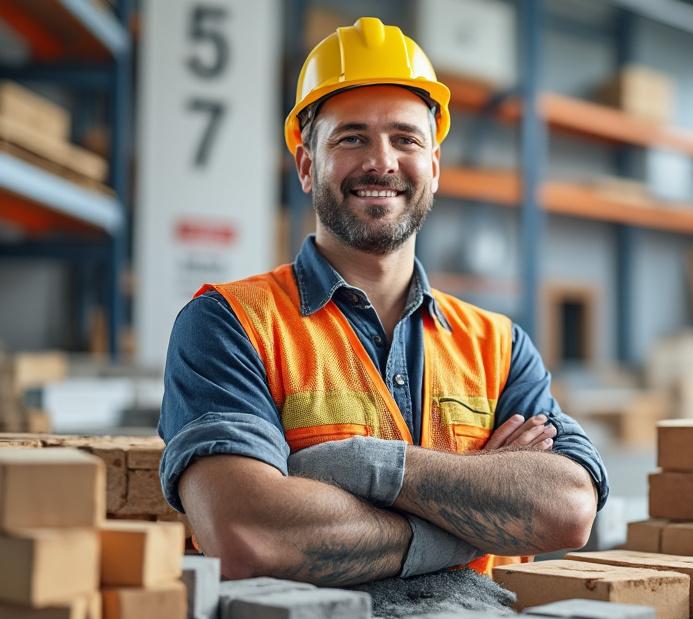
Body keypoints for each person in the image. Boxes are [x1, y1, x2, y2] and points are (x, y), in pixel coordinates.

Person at [158, 17, 608, 587]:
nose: (382, 162)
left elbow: (567, 510)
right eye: (351, 138)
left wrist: (360, 467)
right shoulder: (229, 324)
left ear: (435, 168)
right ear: (306, 165)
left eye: (406, 138)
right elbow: (247, 533)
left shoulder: (498, 346)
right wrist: (477, 512)